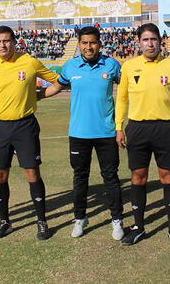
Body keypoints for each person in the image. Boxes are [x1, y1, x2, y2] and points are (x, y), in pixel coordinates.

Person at [41, 26, 124, 240]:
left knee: (111, 177)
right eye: (85, 43)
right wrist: (32, 96)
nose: (89, 47)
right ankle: (80, 218)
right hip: (79, 134)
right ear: (79, 45)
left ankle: (117, 220)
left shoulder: (112, 65)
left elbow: (127, 89)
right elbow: (54, 88)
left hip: (106, 133)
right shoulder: (70, 67)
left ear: (99, 44)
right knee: (80, 178)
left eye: (93, 42)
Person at [0, 25, 59, 241]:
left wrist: (39, 96)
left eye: (6, 40)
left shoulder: (29, 62)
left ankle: (42, 221)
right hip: (0, 127)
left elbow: (57, 82)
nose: (3, 45)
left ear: (14, 41)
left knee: (32, 173)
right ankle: (4, 221)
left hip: (25, 125)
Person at [115, 23, 170, 247]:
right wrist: (119, 127)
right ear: (139, 43)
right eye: (145, 39)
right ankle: (138, 227)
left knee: (167, 176)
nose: (150, 43)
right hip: (137, 128)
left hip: (165, 128)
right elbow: (121, 99)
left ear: (160, 42)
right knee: (138, 177)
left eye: (153, 39)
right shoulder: (129, 67)